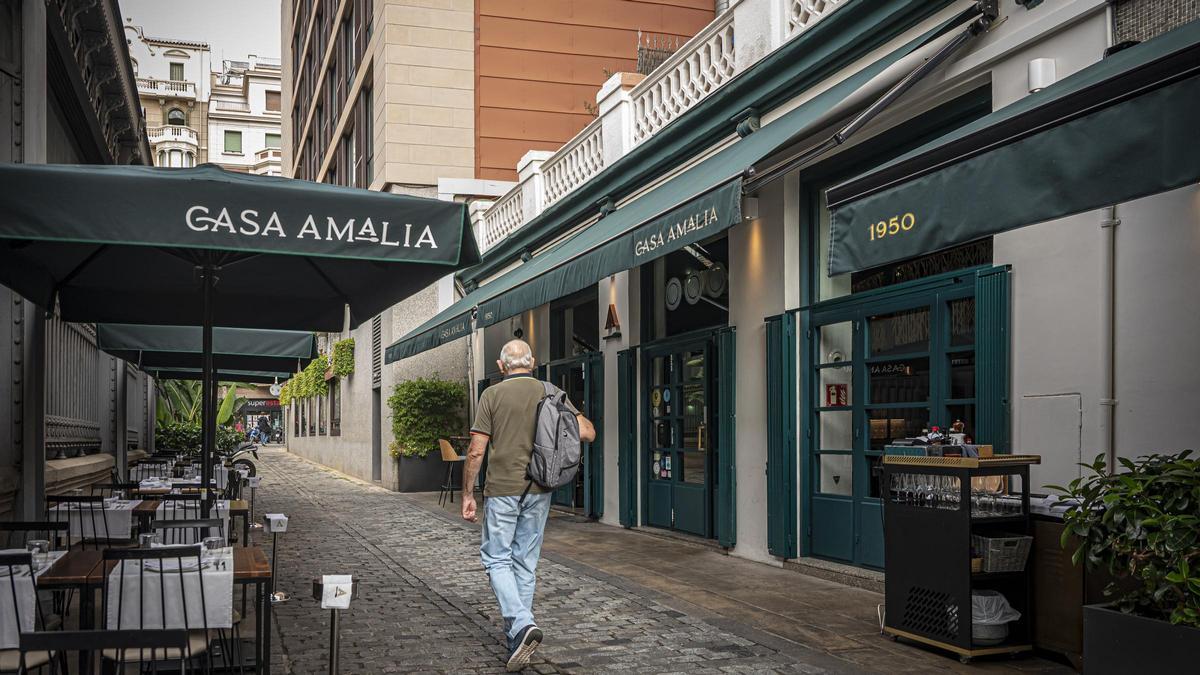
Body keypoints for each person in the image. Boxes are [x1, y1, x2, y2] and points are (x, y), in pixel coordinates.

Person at [461, 340, 595, 672]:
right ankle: (516, 639)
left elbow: (477, 451)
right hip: (540, 488)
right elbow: (587, 432)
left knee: (495, 558)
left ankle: (521, 624)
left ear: (501, 364)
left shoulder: (492, 395)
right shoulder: (550, 391)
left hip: (503, 488)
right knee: (525, 562)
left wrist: (467, 494)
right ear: (532, 362)